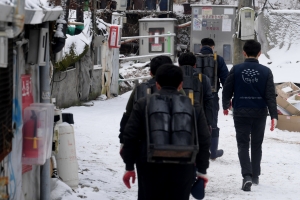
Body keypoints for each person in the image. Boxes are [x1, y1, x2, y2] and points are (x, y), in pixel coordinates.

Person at [122, 64, 211, 200]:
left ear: (157, 84)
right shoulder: (193, 106)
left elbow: (130, 136)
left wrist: (129, 166)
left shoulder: (143, 104)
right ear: (181, 85)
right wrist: (202, 170)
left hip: (149, 166)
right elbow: (204, 138)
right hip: (184, 166)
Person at [222, 40, 278, 191]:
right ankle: (255, 176)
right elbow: (270, 96)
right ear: (259, 53)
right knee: (256, 144)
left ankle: (246, 176)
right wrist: (274, 116)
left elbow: (227, 90)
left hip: (240, 112)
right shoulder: (266, 72)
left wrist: (225, 105)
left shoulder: (236, 69)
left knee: (243, 144)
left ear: (244, 52)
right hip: (260, 112)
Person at [199, 38, 229, 159]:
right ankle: (213, 152)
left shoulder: (195, 58)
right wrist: (227, 99)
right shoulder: (219, 59)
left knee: (195, 121)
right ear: (213, 47)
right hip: (212, 95)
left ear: (201, 47)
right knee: (212, 122)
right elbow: (225, 80)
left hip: (194, 96)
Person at [178, 52, 214, 129]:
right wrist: (208, 122)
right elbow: (208, 101)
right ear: (195, 65)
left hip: (178, 120)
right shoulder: (204, 78)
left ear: (179, 65)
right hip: (199, 119)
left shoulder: (174, 78)